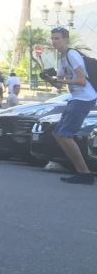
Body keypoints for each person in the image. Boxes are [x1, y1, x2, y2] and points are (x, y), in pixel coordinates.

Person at [41, 27, 97, 183]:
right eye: (52, 38)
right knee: (59, 134)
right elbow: (59, 85)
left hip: (84, 98)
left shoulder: (72, 55)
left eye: (57, 38)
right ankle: (82, 172)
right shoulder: (63, 58)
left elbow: (82, 80)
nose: (54, 41)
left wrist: (62, 81)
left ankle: (85, 174)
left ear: (66, 39)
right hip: (77, 98)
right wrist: (49, 78)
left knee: (64, 134)